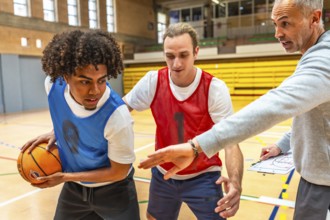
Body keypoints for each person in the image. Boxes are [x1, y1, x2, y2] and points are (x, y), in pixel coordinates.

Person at [138, 1, 330, 219]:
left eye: (285, 24)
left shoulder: (324, 59)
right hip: (317, 179)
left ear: (314, 19)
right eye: (275, 24)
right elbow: (314, 115)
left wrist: (196, 146)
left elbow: (277, 104)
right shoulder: (314, 55)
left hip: (323, 183)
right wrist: (283, 144)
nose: (277, 33)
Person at [124, 22, 243, 220]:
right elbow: (118, 111)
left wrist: (236, 182)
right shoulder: (153, 81)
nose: (176, 64)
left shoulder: (214, 88)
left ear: (196, 52)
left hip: (204, 176)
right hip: (163, 173)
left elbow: (231, 142)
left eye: (183, 55)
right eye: (170, 56)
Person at [21, 29, 140, 220]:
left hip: (115, 192)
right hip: (74, 191)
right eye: (85, 82)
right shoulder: (52, 86)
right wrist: (56, 131)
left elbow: (119, 172)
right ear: (66, 76)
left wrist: (65, 177)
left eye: (101, 80)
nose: (95, 90)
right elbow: (68, 114)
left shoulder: (117, 116)